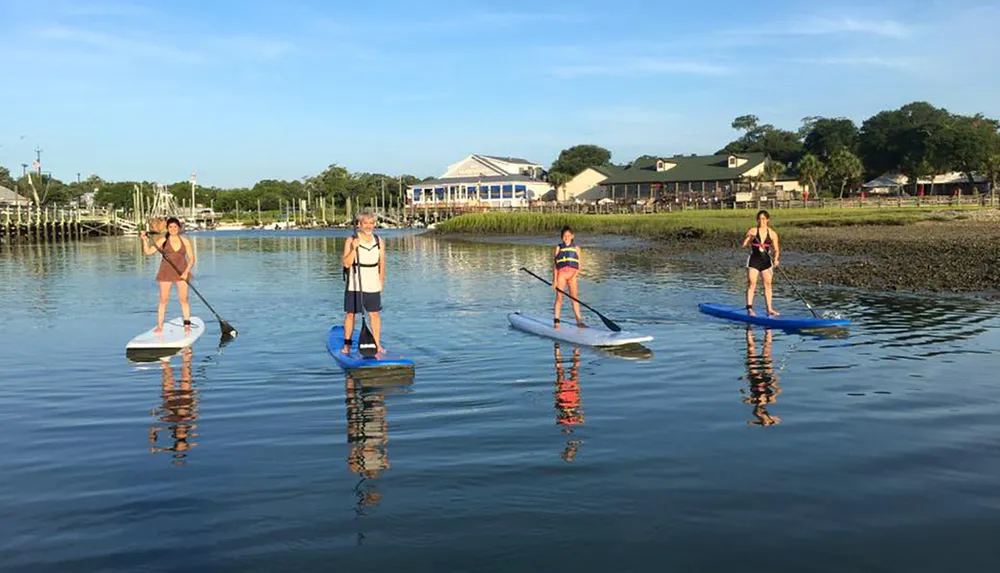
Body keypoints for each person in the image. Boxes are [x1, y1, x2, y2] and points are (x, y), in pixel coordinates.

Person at [139, 217, 196, 333]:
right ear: (168, 228)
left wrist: (185, 273)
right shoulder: (162, 240)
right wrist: (144, 240)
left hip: (182, 273)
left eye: (175, 227)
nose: (173, 229)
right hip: (165, 272)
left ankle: (187, 325)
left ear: (179, 228)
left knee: (184, 299)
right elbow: (148, 252)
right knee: (163, 300)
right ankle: (160, 326)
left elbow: (192, 259)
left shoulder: (185, 241)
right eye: (170, 227)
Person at [341, 211, 386, 355]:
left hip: (372, 283)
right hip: (355, 284)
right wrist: (354, 247)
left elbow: (382, 263)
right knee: (351, 314)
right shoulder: (351, 240)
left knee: (374, 314)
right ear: (359, 225)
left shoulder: (379, 241)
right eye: (365, 223)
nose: (368, 226)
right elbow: (347, 264)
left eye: (371, 223)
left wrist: (381, 282)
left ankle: (377, 345)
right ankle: (347, 345)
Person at [741, 209, 780, 317]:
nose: (761, 221)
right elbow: (744, 244)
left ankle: (770, 309)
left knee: (768, 284)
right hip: (754, 260)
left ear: (767, 220)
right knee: (752, 283)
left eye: (763, 219)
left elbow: (776, 249)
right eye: (759, 219)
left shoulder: (772, 234)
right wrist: (748, 237)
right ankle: (749, 309)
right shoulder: (753, 231)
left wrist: (776, 259)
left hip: (766, 261)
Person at [552, 225, 585, 327]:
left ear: (572, 236)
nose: (566, 237)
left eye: (568, 235)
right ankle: (557, 321)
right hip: (561, 275)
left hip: (572, 276)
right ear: (562, 237)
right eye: (564, 236)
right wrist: (555, 280)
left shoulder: (576, 248)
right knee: (559, 298)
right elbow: (555, 265)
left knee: (574, 298)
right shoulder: (558, 248)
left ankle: (579, 321)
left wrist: (575, 275)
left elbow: (579, 265)